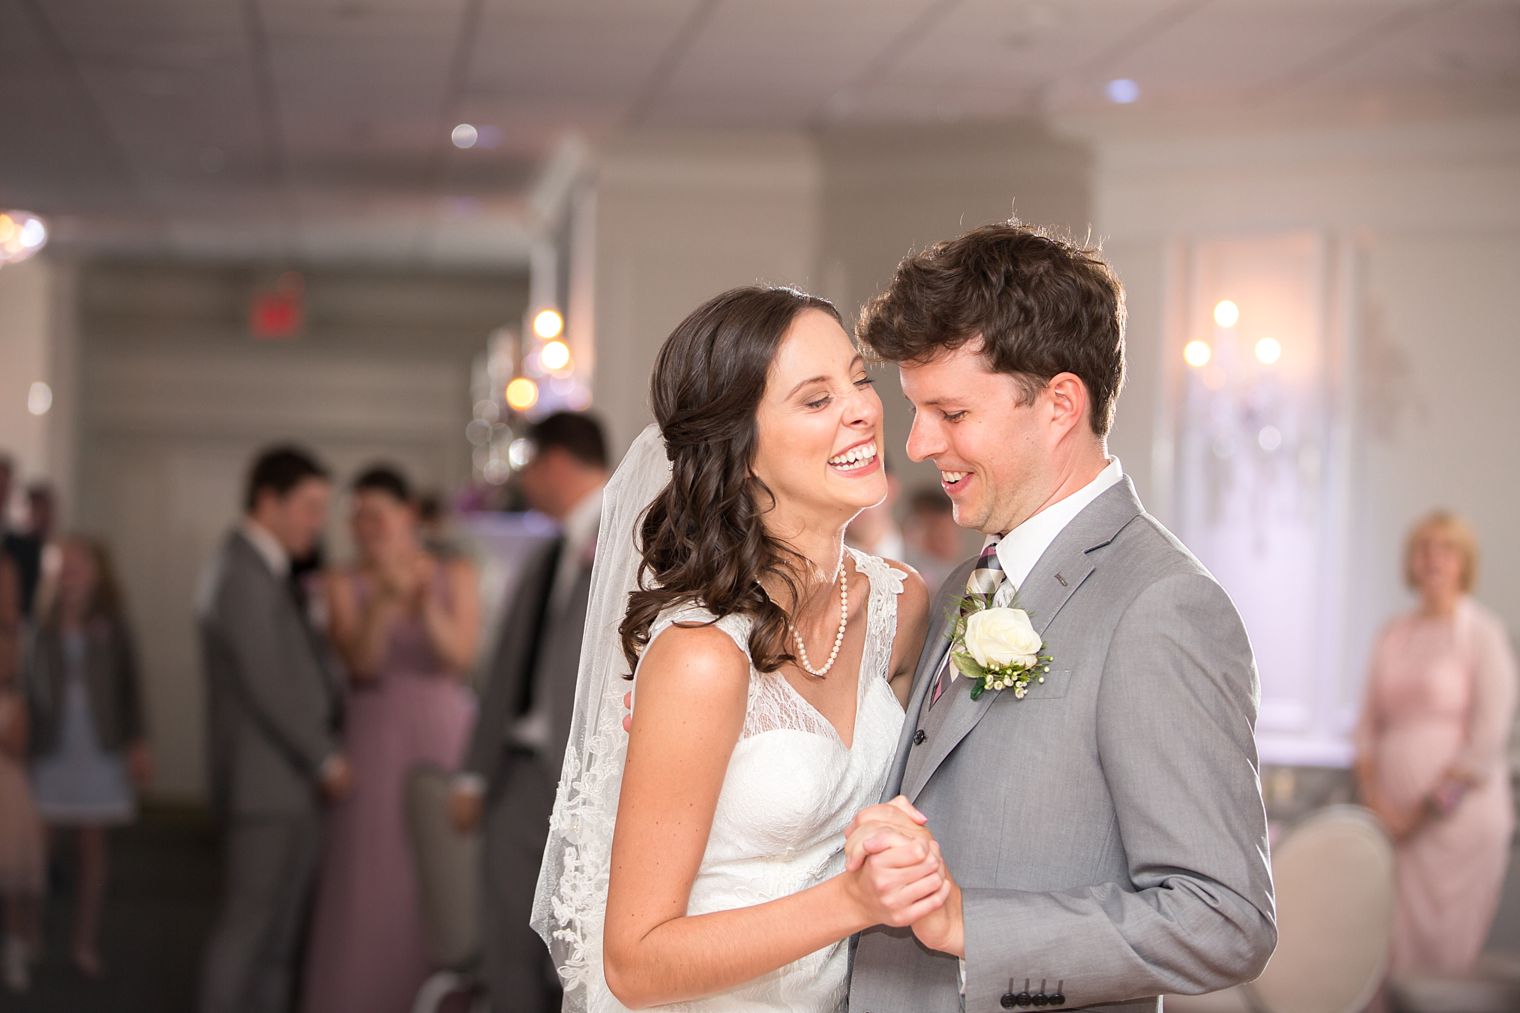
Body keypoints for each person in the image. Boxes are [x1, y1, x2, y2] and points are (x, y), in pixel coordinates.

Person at [844, 220, 1277, 1012]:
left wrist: (971, 923)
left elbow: (1227, 916)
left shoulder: (1162, 605)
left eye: (951, 411)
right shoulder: (963, 585)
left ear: (1059, 404)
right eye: (916, 409)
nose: (916, 443)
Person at [536, 286, 937, 1012]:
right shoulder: (702, 656)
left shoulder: (899, 607)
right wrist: (850, 901)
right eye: (815, 400)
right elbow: (636, 958)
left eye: (858, 379)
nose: (860, 410)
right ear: (739, 449)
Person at [301, 465, 479, 1013]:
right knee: (370, 875)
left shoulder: (456, 573)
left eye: (376, 514)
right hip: (374, 735)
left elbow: (460, 657)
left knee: (439, 874)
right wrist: (381, 598)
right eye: (356, 516)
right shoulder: (340, 581)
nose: (365, 526)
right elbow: (360, 663)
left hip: (441, 733)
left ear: (407, 515)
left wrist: (422, 600)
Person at [450, 411, 610, 1013]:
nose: (524, 484)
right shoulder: (549, 553)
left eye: (529, 467)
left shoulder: (635, 539)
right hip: (520, 773)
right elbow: (507, 669)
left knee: (576, 949)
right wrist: (473, 770)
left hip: (586, 778)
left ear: (557, 464)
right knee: (508, 934)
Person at [197, 445, 349, 1013]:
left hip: (282, 783)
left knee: (277, 940)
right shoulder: (242, 571)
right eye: (310, 507)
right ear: (268, 501)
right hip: (267, 784)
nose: (319, 522)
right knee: (248, 934)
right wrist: (325, 758)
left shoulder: (263, 567)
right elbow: (269, 683)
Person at [1354, 511, 1517, 976]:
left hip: (1457, 828)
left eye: (1446, 548)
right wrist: (1377, 802)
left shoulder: (1484, 635)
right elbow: (1367, 726)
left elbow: (1486, 742)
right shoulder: (1392, 634)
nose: (1433, 558)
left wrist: (1419, 813)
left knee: (1441, 963)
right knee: (1381, 954)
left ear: (1464, 562)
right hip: (1390, 824)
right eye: (1424, 547)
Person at [25, 535, 151, 978]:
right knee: (36, 849)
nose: (71, 572)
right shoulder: (40, 623)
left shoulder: (113, 625)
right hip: (50, 749)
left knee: (92, 849)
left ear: (98, 572)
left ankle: (84, 941)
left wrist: (138, 742)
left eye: (80, 563)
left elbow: (131, 688)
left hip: (100, 747)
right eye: (65, 564)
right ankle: (30, 936)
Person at [0, 555, 44, 993]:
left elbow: (20, 742)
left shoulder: (16, 698)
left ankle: (17, 949)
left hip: (8, 793)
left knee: (15, 879)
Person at [901, 485, 962, 593]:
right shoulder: (901, 574)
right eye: (938, 534)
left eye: (948, 534)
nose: (946, 541)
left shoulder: (962, 578)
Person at [846, 455, 906, 561]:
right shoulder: (816, 571)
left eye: (861, 486)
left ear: (890, 486)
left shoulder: (934, 568)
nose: (851, 500)